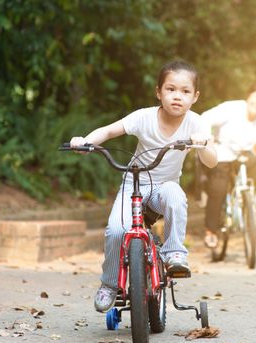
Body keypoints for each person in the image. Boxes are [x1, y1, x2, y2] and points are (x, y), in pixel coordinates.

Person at [69, 60, 218, 313]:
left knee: (176, 195)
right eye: (170, 89)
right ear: (158, 92)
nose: (177, 96)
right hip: (134, 184)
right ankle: (109, 284)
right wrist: (85, 142)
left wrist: (203, 144)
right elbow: (107, 131)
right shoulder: (143, 117)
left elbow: (211, 162)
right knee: (116, 231)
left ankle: (175, 254)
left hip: (164, 187)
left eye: (185, 91)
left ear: (195, 97)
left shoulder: (196, 123)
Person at [200, 82, 256, 248]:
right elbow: (205, 117)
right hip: (223, 151)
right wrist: (207, 138)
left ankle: (249, 203)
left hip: (244, 154)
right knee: (218, 187)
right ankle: (211, 232)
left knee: (254, 163)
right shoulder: (232, 108)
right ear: (248, 96)